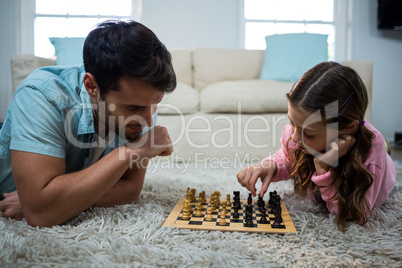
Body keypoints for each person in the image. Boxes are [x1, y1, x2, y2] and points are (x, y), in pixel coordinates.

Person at [0, 20, 176, 227]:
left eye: (156, 104)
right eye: (133, 108)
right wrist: (130, 152)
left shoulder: (142, 105)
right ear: (91, 86)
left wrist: (56, 201)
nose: (147, 121)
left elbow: (130, 190)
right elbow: (41, 214)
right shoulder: (41, 96)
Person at [237, 61, 396, 231]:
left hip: (378, 163)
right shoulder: (296, 136)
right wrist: (271, 166)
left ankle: (387, 152)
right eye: (292, 123)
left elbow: (354, 215)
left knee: (383, 155)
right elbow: (287, 158)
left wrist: (324, 169)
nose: (294, 137)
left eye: (309, 134)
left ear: (348, 129)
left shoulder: (371, 153)